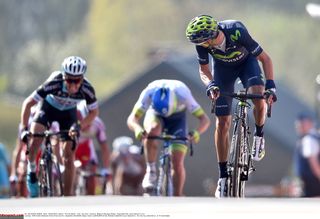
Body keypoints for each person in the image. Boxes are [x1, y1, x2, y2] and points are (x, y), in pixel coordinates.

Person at [185, 15, 277, 197]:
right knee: (222, 123)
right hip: (223, 71)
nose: (200, 45)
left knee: (258, 96)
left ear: (210, 36)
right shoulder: (201, 44)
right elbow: (204, 70)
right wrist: (211, 85)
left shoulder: (236, 30)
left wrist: (271, 86)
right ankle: (223, 176)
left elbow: (265, 59)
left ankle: (259, 136)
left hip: (247, 65)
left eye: (202, 41)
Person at [20, 56, 99, 197]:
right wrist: (24, 129)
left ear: (82, 79)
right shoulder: (54, 83)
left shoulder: (87, 89)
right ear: (63, 77)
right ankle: (32, 170)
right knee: (35, 139)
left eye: (77, 80)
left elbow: (94, 112)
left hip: (69, 114)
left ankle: (67, 197)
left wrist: (78, 126)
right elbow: (28, 103)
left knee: (69, 156)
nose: (73, 85)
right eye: (69, 80)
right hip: (48, 108)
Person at [127, 79, 210, 196]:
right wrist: (138, 129)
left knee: (177, 160)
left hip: (177, 119)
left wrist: (195, 133)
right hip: (155, 115)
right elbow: (132, 119)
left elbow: (205, 120)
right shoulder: (149, 91)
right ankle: (151, 170)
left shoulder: (183, 93)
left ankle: (177, 194)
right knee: (152, 131)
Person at [74, 105, 111, 195]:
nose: (86, 126)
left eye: (89, 122)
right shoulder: (71, 123)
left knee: (92, 174)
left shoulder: (98, 124)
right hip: (73, 148)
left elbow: (104, 148)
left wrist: (106, 169)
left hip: (86, 148)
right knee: (71, 172)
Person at [294, 113, 320, 197]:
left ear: (309, 124)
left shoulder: (309, 140)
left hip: (313, 186)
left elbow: (314, 164)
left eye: (301, 125)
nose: (298, 128)